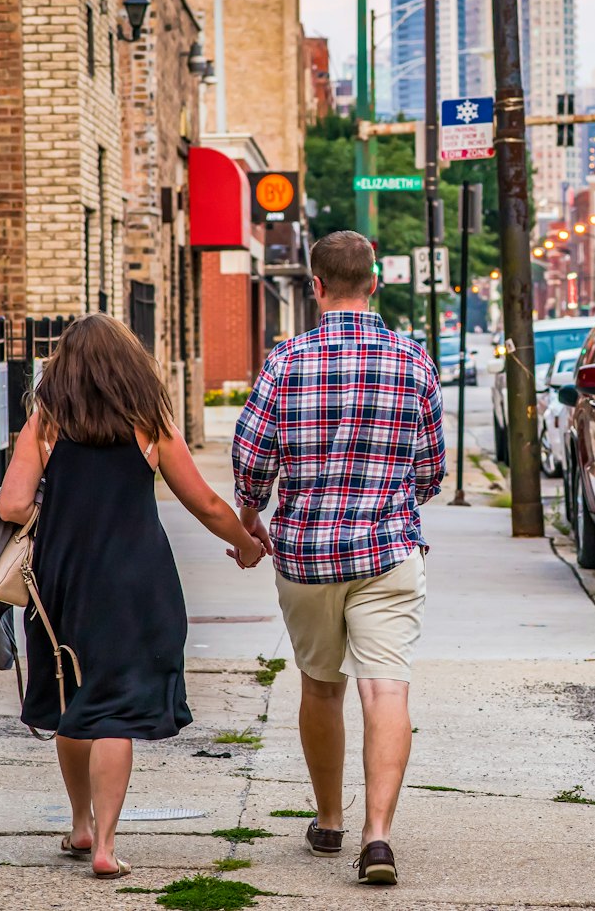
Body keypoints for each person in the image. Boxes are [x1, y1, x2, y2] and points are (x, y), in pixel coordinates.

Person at [0, 314, 265, 880]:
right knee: (115, 707)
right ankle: (107, 846)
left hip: (62, 577)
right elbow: (207, 504)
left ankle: (80, 824)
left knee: (70, 696)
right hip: (135, 579)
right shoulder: (149, 425)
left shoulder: (45, 423)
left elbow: (13, 507)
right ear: (129, 365)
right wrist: (245, 544)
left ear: (64, 367)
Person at [232, 230, 445, 887]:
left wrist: (250, 513)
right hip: (386, 551)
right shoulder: (412, 359)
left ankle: (329, 821)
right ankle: (378, 837)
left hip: (305, 557)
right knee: (386, 688)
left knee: (322, 687)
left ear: (315, 287)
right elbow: (432, 471)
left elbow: (251, 457)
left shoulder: (285, 361)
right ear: (374, 283)